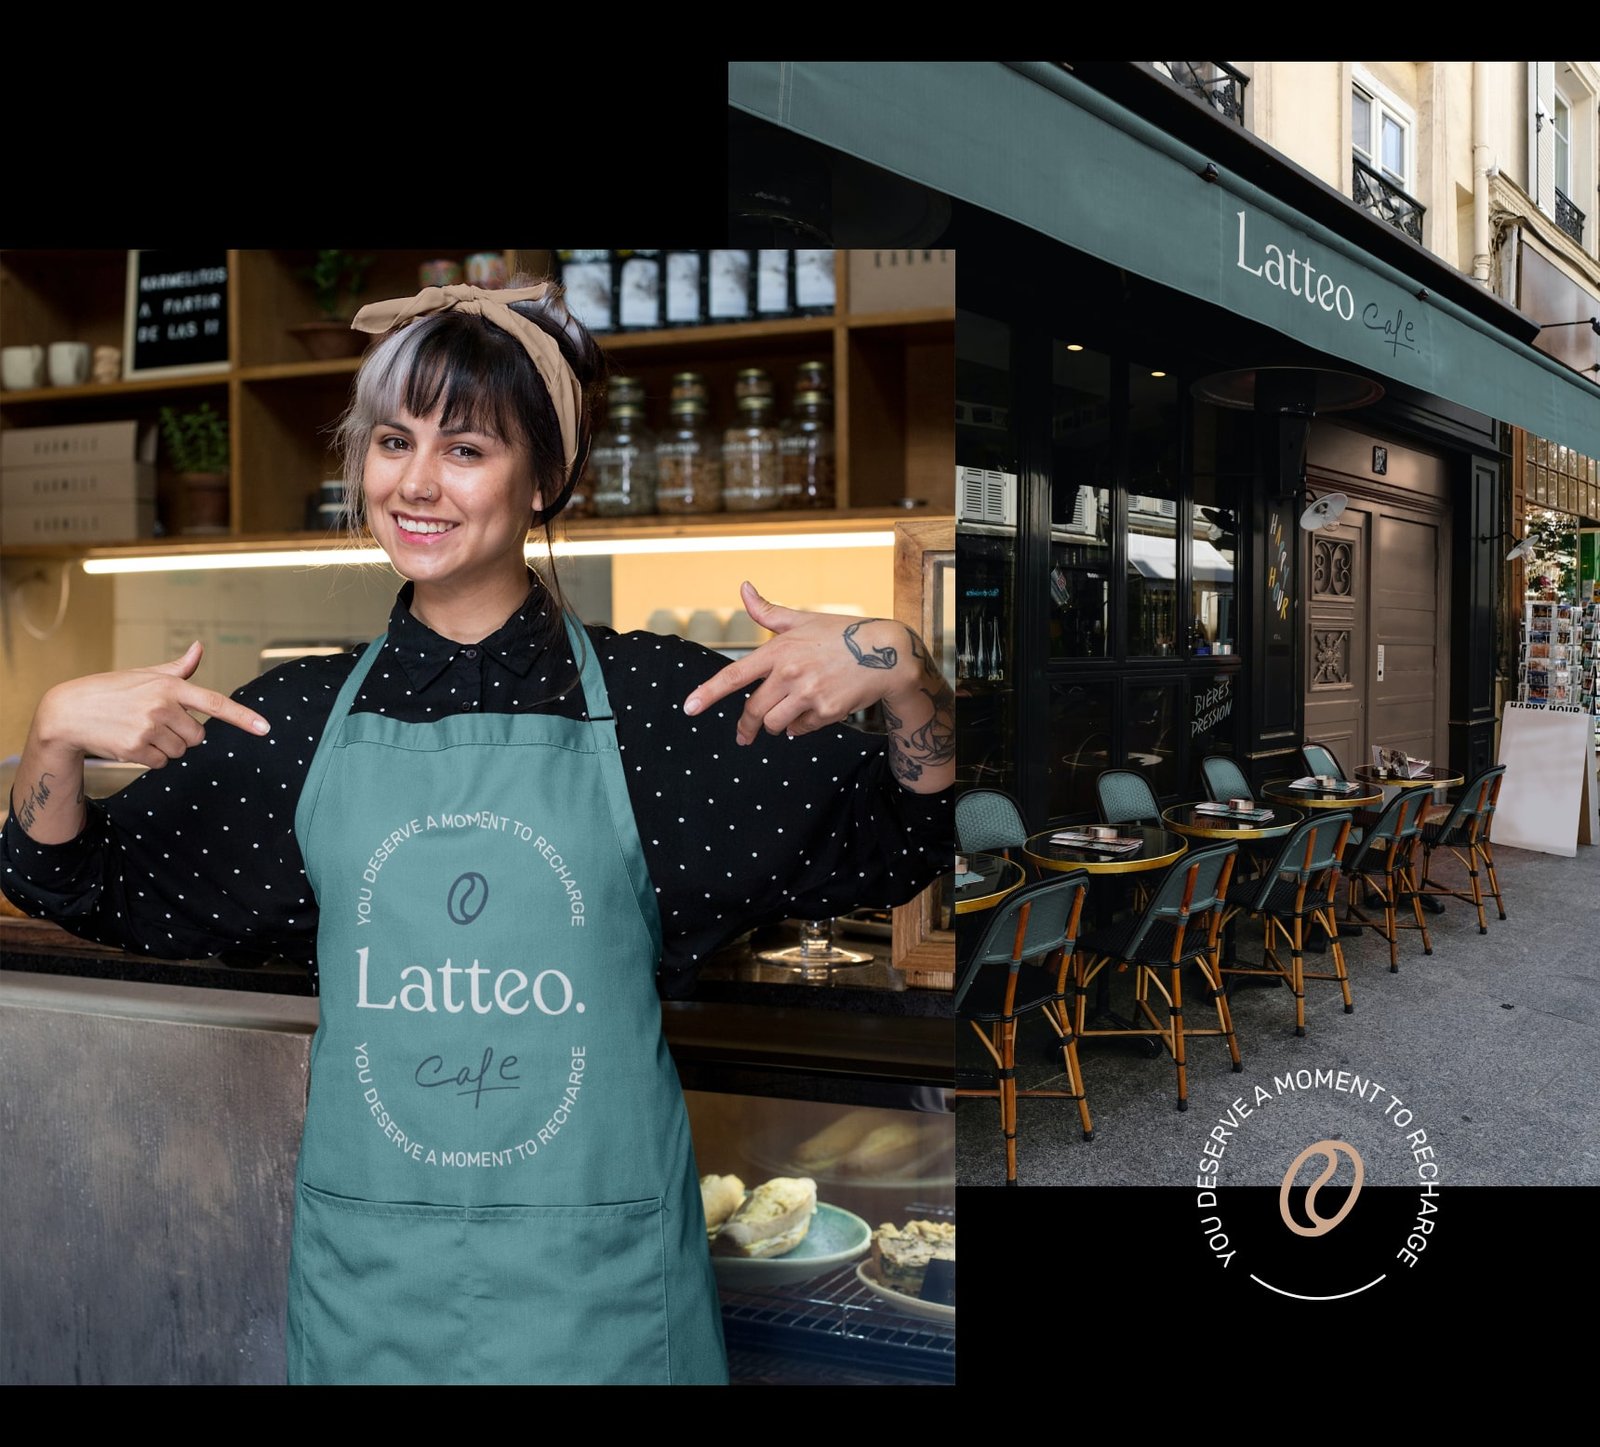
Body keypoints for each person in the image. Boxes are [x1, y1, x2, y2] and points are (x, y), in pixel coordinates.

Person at [0, 280, 953, 1385]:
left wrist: (901, 670)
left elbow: (904, 836)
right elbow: (79, 880)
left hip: (598, 1285)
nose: (414, 481)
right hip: (375, 1287)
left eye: (464, 448)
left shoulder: (657, 707)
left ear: (544, 477)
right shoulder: (297, 717)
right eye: (391, 440)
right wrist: (52, 738)